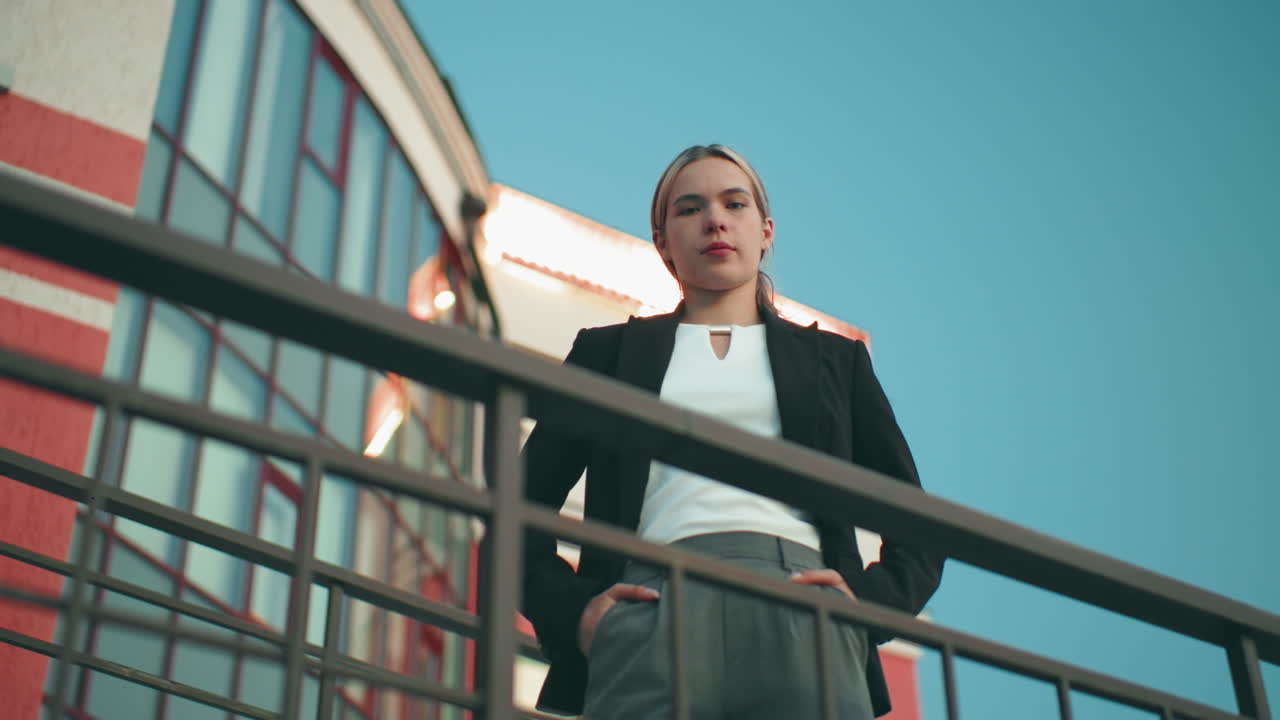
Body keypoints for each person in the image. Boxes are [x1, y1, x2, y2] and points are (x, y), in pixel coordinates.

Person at [519, 144, 944, 719]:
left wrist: (867, 607)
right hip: (649, 605)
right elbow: (517, 508)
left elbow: (916, 521)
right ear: (663, 242)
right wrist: (576, 614)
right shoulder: (610, 353)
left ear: (765, 230)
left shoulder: (834, 364)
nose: (715, 219)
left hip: (804, 610)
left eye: (733, 203)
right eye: (690, 208)